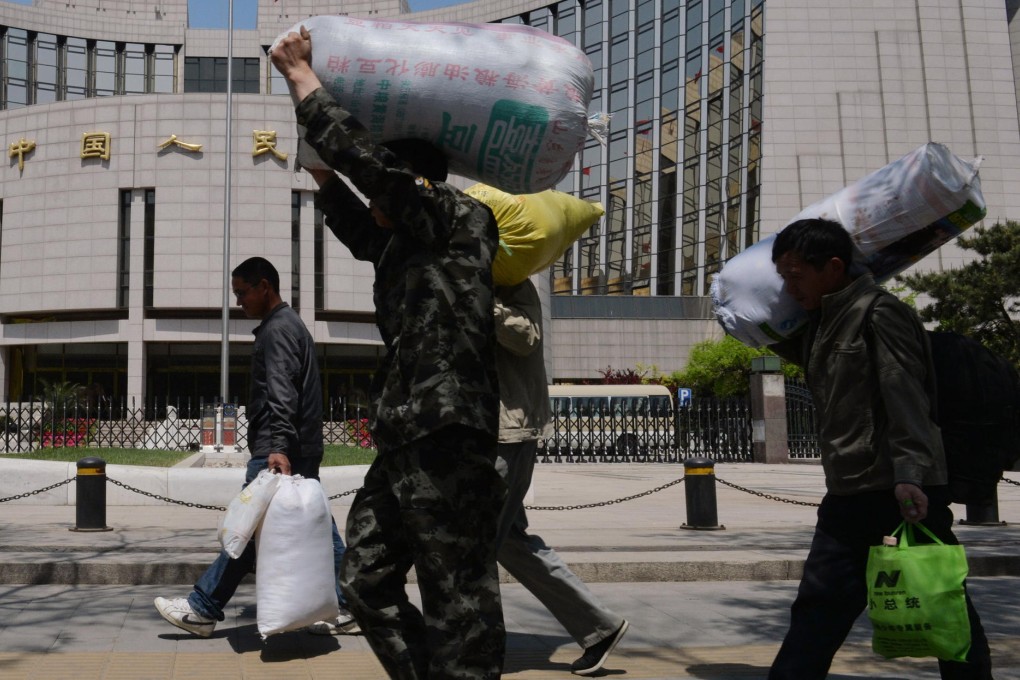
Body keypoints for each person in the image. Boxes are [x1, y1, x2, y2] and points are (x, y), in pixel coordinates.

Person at [272, 27, 506, 680]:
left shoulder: (456, 221)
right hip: (406, 433)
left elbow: (380, 177)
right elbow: (358, 225)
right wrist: (323, 177)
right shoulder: (407, 242)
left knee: (457, 591)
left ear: (409, 187)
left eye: (383, 193)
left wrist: (305, 85)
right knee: (366, 579)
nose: (374, 203)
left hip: (450, 431)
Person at [766, 218, 993, 679]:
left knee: (941, 602)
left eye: (795, 276)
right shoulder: (819, 324)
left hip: (898, 489)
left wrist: (910, 473)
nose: (789, 289)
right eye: (782, 278)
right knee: (818, 608)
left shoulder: (879, 313)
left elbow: (904, 393)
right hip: (850, 488)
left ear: (832, 267)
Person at [154, 257, 358, 638]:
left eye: (242, 292)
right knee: (318, 531)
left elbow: (282, 391)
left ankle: (203, 607)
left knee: (245, 530)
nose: (239, 301)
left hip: (278, 449)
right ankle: (350, 606)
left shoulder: (278, 330)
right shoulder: (288, 325)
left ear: (265, 286)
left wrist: (278, 447)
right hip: (296, 447)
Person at [492, 278, 630, 676]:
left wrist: (485, 301)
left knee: (475, 543)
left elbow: (527, 338)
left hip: (507, 432)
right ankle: (599, 627)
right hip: (481, 434)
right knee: (510, 544)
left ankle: (472, 645)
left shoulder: (510, 281)